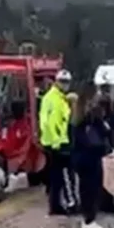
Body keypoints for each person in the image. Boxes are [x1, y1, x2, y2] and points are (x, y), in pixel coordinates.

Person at [40, 70, 74, 216]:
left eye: (67, 82)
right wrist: (57, 142)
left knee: (56, 178)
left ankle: (56, 206)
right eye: (62, 81)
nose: (65, 85)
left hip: (55, 142)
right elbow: (51, 123)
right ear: (57, 81)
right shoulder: (54, 98)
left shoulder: (59, 97)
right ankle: (61, 205)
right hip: (56, 144)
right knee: (61, 176)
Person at [74, 100, 111, 228]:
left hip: (87, 159)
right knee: (90, 190)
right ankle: (89, 219)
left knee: (90, 189)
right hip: (89, 160)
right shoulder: (87, 126)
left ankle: (89, 218)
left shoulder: (83, 124)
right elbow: (95, 143)